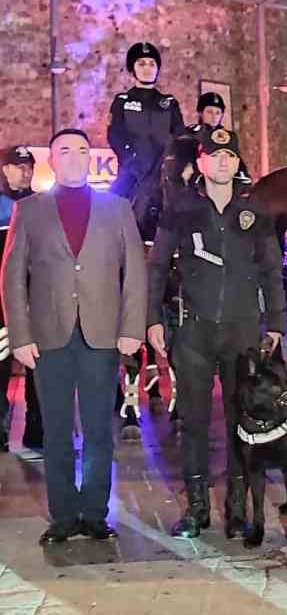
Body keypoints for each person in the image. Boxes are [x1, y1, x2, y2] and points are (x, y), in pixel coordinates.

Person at [0, 129, 147, 544]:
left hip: (103, 335)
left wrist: (132, 329)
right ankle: (64, 515)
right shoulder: (29, 211)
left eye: (82, 150)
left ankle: (95, 514)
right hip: (49, 337)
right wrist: (20, 335)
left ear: (90, 159)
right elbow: (12, 277)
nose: (75, 156)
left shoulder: (117, 209)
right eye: (65, 149)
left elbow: (134, 272)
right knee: (57, 431)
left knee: (100, 430)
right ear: (53, 160)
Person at [147, 126, 285, 537]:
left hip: (242, 333)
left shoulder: (256, 211)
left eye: (230, 155)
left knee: (242, 422)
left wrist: (276, 322)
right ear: (201, 162)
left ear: (238, 162)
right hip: (194, 333)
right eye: (214, 155)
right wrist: (152, 318)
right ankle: (196, 509)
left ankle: (237, 508)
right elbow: (156, 267)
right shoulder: (181, 207)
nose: (223, 161)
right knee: (193, 422)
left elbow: (271, 271)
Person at [108, 41, 184, 425]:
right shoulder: (124, 101)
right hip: (134, 174)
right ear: (132, 69)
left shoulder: (169, 103)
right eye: (140, 64)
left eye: (151, 64)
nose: (146, 69)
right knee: (111, 205)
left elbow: (182, 139)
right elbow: (115, 136)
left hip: (164, 176)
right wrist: (134, 164)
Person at [0, 146, 43, 453]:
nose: (26, 171)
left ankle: (37, 430)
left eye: (29, 165)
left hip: (36, 299)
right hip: (0, 302)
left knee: (38, 369)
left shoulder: (40, 204)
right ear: (4, 169)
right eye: (19, 166)